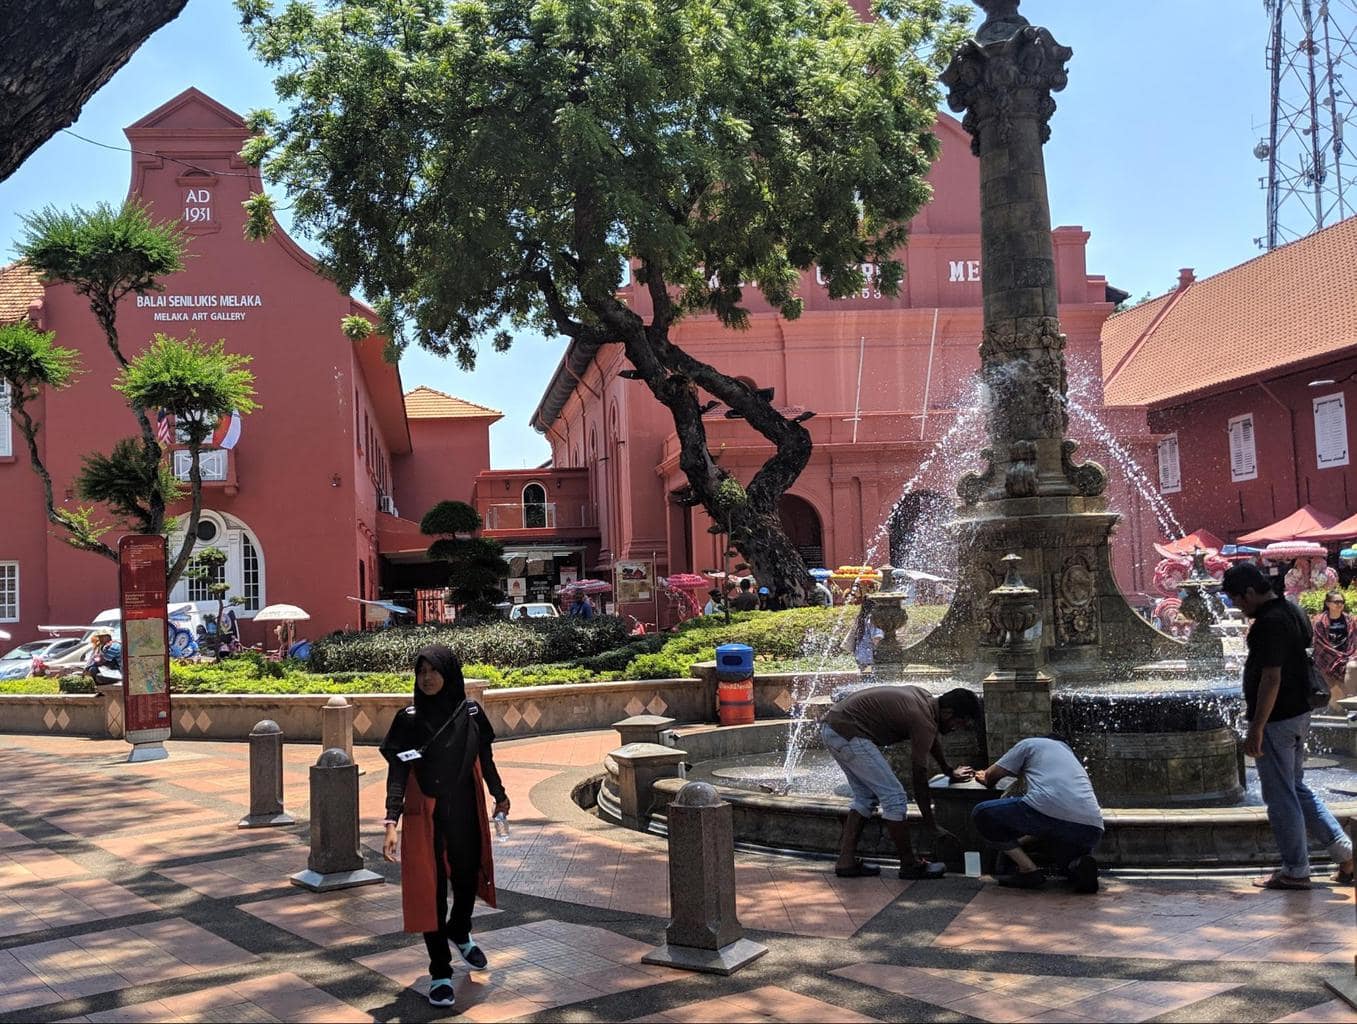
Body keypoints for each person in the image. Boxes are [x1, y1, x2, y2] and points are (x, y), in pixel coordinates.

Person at [381, 645, 510, 1008]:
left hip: (466, 810)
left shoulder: (470, 712)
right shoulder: (408, 719)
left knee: (468, 877)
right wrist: (392, 820)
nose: (427, 678)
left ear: (450, 673)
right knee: (431, 889)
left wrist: (499, 794)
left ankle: (460, 928)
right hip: (427, 816)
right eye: (421, 671)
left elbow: (485, 757)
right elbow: (398, 772)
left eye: (434, 670)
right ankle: (440, 970)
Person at [1221, 563, 1355, 889]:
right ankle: (1346, 855)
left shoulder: (1270, 623)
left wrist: (1257, 727)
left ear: (1250, 593)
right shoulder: (1292, 611)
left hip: (1278, 719)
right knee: (1296, 788)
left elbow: (1271, 677)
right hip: (1298, 713)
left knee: (1281, 796)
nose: (1240, 608)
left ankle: (1296, 870)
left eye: (1239, 600)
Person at [820, 685, 980, 879]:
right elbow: (919, 776)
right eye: (960, 723)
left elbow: (930, 738)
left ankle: (845, 862)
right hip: (848, 732)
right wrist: (931, 825)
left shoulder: (926, 700)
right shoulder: (922, 718)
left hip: (835, 727)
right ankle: (909, 864)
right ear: (948, 713)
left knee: (865, 797)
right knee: (895, 797)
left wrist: (948, 770)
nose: (957, 729)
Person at [972, 735, 1104, 893]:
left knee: (982, 813)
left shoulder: (1030, 744)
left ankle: (1028, 870)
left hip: (1047, 811)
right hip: (1092, 827)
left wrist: (981, 775)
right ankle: (1078, 865)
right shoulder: (1070, 756)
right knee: (1067, 863)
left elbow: (990, 777)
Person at [1311, 589, 1357, 714]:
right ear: (1328, 604)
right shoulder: (1320, 621)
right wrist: (1340, 656)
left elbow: (1353, 641)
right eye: (1336, 602)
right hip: (1328, 658)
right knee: (1339, 686)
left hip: (1348, 656)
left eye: (1342, 602)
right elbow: (1320, 644)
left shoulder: (1349, 620)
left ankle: (1352, 704)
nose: (1340, 604)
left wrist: (1349, 655)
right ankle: (1347, 710)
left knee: (1353, 666)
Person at [847, 603, 884, 676]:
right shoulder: (874, 619)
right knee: (874, 682)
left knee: (865, 681)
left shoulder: (862, 617)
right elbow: (877, 639)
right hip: (870, 658)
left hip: (861, 657)